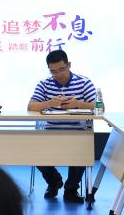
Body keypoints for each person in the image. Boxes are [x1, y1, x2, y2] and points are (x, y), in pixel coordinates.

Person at [27, 49, 97, 202]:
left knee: (82, 150)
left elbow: (99, 107)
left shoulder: (84, 82)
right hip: (51, 131)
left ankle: (71, 189)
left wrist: (78, 104)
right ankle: (54, 182)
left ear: (69, 65)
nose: (58, 74)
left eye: (62, 69)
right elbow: (31, 106)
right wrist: (49, 103)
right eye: (53, 71)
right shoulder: (44, 84)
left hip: (77, 131)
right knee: (35, 151)